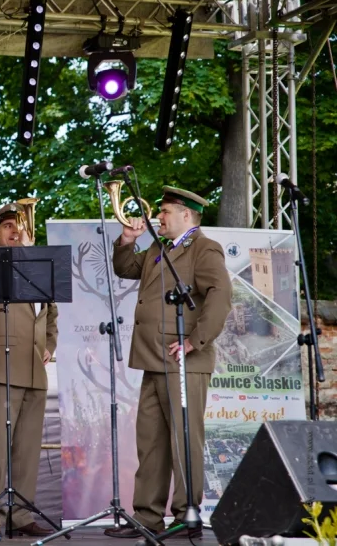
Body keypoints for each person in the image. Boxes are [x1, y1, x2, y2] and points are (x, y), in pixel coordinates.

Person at [104, 187, 232, 540]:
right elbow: (126, 268)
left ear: (186, 215)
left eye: (164, 212)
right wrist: (127, 241)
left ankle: (185, 513)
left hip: (183, 361)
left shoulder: (204, 248)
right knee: (151, 441)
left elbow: (221, 296)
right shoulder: (160, 249)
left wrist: (195, 340)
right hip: (152, 358)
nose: (158, 218)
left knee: (184, 440)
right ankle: (147, 517)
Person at [0, 202, 57, 538]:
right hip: (2, 365)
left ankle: (21, 515)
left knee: (27, 448)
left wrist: (50, 346)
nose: (15, 230)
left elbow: (50, 315)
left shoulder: (41, 267)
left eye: (18, 225)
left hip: (34, 366)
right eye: (7, 226)